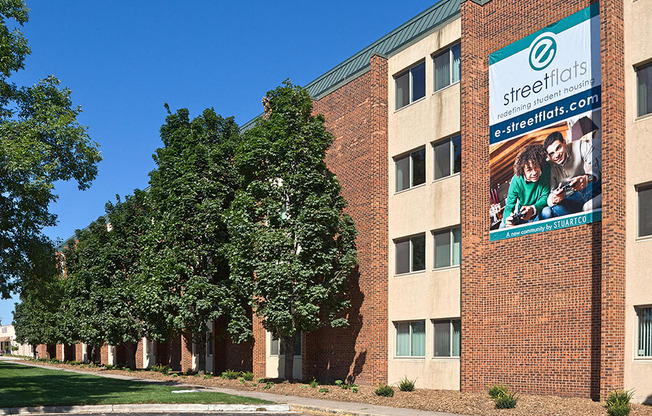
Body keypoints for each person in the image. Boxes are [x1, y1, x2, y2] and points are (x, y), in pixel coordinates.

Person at [541, 131, 601, 219]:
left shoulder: (579, 145)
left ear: (564, 143)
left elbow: (601, 163)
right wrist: (554, 198)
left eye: (558, 148)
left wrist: (588, 178)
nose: (556, 155)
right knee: (555, 209)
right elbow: (549, 194)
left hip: (588, 187)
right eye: (552, 153)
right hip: (569, 198)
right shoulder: (548, 166)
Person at [501, 144, 551, 227]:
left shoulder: (546, 169)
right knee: (503, 226)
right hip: (522, 216)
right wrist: (508, 219)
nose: (534, 172)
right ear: (522, 170)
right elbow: (509, 206)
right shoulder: (516, 180)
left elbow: (545, 196)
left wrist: (532, 208)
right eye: (529, 170)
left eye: (536, 166)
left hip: (538, 209)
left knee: (547, 212)